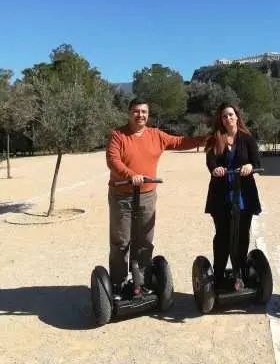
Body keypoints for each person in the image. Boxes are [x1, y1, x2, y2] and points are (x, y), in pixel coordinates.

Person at [106, 98, 207, 298]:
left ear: (148, 114)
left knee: (144, 240)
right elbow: (113, 160)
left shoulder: (156, 135)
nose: (140, 115)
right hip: (122, 196)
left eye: (144, 111)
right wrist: (130, 175)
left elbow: (179, 142)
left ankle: (142, 282)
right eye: (136, 111)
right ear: (129, 113)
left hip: (147, 195)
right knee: (121, 242)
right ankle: (118, 284)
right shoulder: (118, 135)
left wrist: (204, 139)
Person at [204, 103, 262, 292]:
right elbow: (210, 161)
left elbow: (256, 161)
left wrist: (250, 166)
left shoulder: (247, 138)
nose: (228, 118)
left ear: (237, 116)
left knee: (242, 235)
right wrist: (216, 169)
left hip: (244, 193)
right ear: (220, 120)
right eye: (224, 116)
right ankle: (219, 274)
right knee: (223, 235)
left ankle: (239, 272)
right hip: (221, 194)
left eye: (230, 115)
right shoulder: (215, 138)